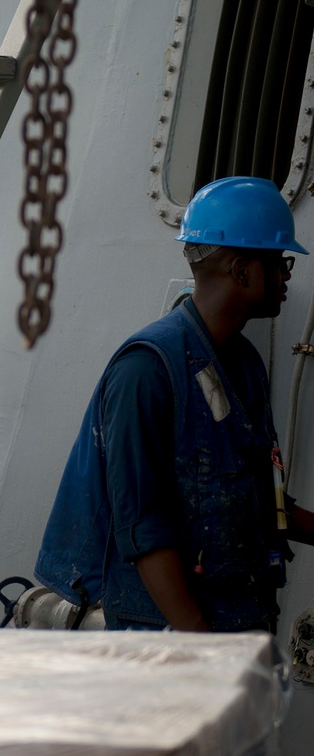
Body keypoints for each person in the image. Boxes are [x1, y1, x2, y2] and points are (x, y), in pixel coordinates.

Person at [36, 175, 314, 633]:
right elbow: (143, 529)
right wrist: (200, 649)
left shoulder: (244, 364)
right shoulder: (145, 369)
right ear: (242, 270)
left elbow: (265, 501)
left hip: (237, 620)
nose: (287, 276)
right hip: (162, 637)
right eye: (281, 262)